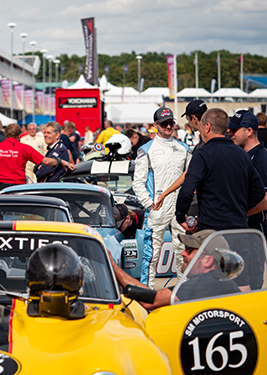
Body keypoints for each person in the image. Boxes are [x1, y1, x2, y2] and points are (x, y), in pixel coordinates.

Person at [175, 108, 267, 291]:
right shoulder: (242, 154)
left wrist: (180, 217)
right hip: (240, 231)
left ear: (207, 127)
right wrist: (240, 209)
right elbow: (258, 193)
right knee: (242, 283)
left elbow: (187, 190)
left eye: (201, 126)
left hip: (212, 233)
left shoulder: (203, 154)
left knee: (209, 283)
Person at [133, 107, 192, 289]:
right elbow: (138, 182)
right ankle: (147, 293)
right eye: (164, 123)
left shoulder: (184, 148)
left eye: (171, 123)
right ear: (155, 125)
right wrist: (149, 205)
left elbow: (191, 178)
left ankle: (184, 292)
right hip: (157, 208)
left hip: (180, 208)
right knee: (152, 255)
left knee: (183, 251)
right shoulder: (146, 150)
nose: (168, 126)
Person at [109, 230, 240, 310]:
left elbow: (149, 301)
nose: (183, 253)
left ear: (207, 260)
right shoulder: (220, 281)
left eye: (189, 250)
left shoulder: (205, 282)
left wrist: (112, 266)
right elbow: (154, 296)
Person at [228, 110, 267, 290]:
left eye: (235, 130)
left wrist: (240, 215)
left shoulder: (261, 157)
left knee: (252, 285)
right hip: (241, 230)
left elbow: (266, 200)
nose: (230, 133)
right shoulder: (241, 155)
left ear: (249, 131)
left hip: (255, 231)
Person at [0, 123, 75, 194]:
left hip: (1, 187)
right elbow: (46, 161)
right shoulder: (25, 148)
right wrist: (61, 161)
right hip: (18, 187)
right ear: (19, 135)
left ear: (6, 134)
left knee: (1, 214)